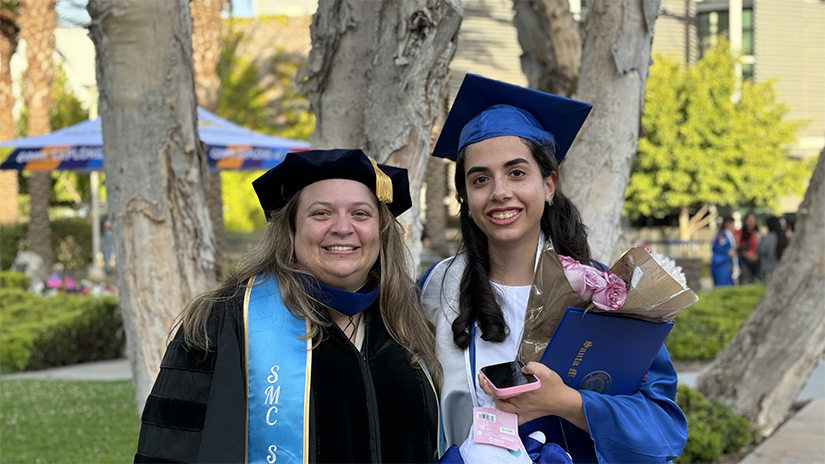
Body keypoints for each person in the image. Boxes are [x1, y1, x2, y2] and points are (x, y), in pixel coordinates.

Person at [419, 74, 687, 463]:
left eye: (517, 172)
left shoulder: (605, 294)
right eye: (480, 179)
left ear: (549, 184)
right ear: (465, 196)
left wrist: (568, 403)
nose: (499, 192)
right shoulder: (436, 290)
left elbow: (662, 430)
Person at [134, 149, 442, 464]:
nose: (342, 227)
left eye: (360, 213)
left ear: (381, 231)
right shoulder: (225, 322)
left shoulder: (409, 321)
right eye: (321, 213)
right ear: (291, 228)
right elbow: (168, 449)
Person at [756, 216, 788, 280]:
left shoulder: (770, 237)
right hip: (779, 267)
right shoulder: (782, 236)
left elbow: (761, 250)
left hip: (769, 268)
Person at [710, 216, 737, 287]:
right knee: (723, 284)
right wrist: (727, 252)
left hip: (727, 263)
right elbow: (716, 247)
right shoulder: (722, 235)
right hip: (721, 263)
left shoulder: (728, 234)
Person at [735, 212, 761, 284]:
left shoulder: (758, 233)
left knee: (757, 282)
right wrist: (746, 255)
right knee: (746, 283)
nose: (751, 222)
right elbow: (736, 248)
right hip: (744, 262)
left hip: (757, 262)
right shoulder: (739, 233)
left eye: (753, 220)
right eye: (749, 220)